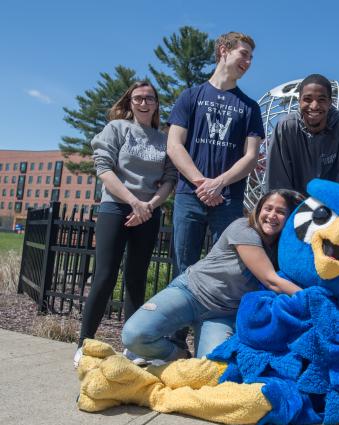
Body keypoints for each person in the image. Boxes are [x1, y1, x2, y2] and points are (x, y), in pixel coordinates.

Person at [122, 189, 304, 361]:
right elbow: (271, 280)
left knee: (214, 367)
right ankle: (179, 357)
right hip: (190, 293)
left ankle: (188, 364)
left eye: (280, 211)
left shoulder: (283, 249)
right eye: (268, 208)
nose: (272, 215)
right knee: (133, 336)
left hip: (222, 314)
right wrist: (312, 298)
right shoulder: (243, 228)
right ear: (259, 209)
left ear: (290, 217)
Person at [74, 81, 177, 367]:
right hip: (116, 208)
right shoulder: (117, 129)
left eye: (150, 99)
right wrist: (134, 202)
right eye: (138, 98)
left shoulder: (164, 140)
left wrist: (149, 206)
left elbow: (169, 179)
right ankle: (83, 344)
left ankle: (132, 347)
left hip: (148, 212)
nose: (144, 103)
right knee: (105, 276)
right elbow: (104, 170)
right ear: (130, 103)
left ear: (157, 104)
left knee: (136, 279)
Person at [167, 31, 265, 275]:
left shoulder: (250, 107)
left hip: (228, 199)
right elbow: (174, 145)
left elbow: (251, 156)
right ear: (223, 50)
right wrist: (204, 184)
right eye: (244, 54)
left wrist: (219, 184)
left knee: (224, 269)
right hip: (190, 195)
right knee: (184, 268)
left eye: (251, 57)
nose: (248, 62)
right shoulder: (190, 97)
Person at [266, 74, 339, 195]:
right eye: (307, 99)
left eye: (321, 100)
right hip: (292, 208)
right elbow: (277, 184)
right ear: (299, 101)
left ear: (330, 102)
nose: (314, 106)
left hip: (333, 207)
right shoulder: (286, 128)